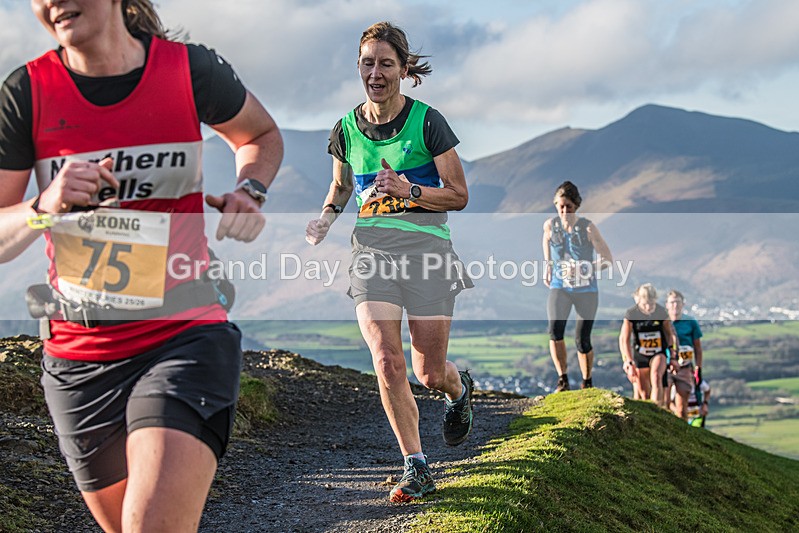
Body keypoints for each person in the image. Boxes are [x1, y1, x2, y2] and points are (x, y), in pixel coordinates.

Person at [0, 1, 282, 531]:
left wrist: (250, 189)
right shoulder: (26, 91)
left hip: (184, 335)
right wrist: (44, 205)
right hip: (79, 359)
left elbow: (259, 135)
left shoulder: (188, 70)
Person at [305, 21, 473, 503]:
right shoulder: (345, 129)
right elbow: (341, 186)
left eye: (385, 64)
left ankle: (459, 390)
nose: (375, 73)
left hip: (427, 255)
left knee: (429, 373)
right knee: (385, 359)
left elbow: (459, 195)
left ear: (403, 69)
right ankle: (415, 465)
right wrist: (326, 218)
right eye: (367, 63)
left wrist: (409, 189)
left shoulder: (427, 123)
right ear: (358, 67)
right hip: (371, 254)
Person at [542, 181, 612, 391]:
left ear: (576, 206)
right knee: (555, 331)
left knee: (582, 340)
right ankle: (562, 379)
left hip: (586, 290)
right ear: (556, 205)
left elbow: (607, 259)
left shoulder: (588, 228)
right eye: (561, 206)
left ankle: (587, 382)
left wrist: (585, 267)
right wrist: (548, 265)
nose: (565, 211)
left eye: (569, 207)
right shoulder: (550, 225)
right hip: (560, 286)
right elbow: (546, 241)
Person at [619, 284, 676, 407]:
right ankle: (649, 411)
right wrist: (628, 361)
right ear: (638, 300)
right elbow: (624, 339)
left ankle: (657, 408)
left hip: (658, 352)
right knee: (644, 394)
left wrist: (672, 354)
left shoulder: (661, 312)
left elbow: (669, 334)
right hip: (640, 354)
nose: (648, 307)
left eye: (651, 304)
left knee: (656, 376)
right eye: (645, 304)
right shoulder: (631, 314)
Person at [665, 289, 704, 420]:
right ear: (667, 305)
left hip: (685, 367)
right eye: (672, 302)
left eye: (678, 302)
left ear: (683, 304)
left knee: (682, 408)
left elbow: (698, 347)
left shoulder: (691, 322)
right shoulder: (663, 322)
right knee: (665, 403)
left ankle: (683, 428)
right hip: (667, 367)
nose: (675, 305)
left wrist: (698, 368)